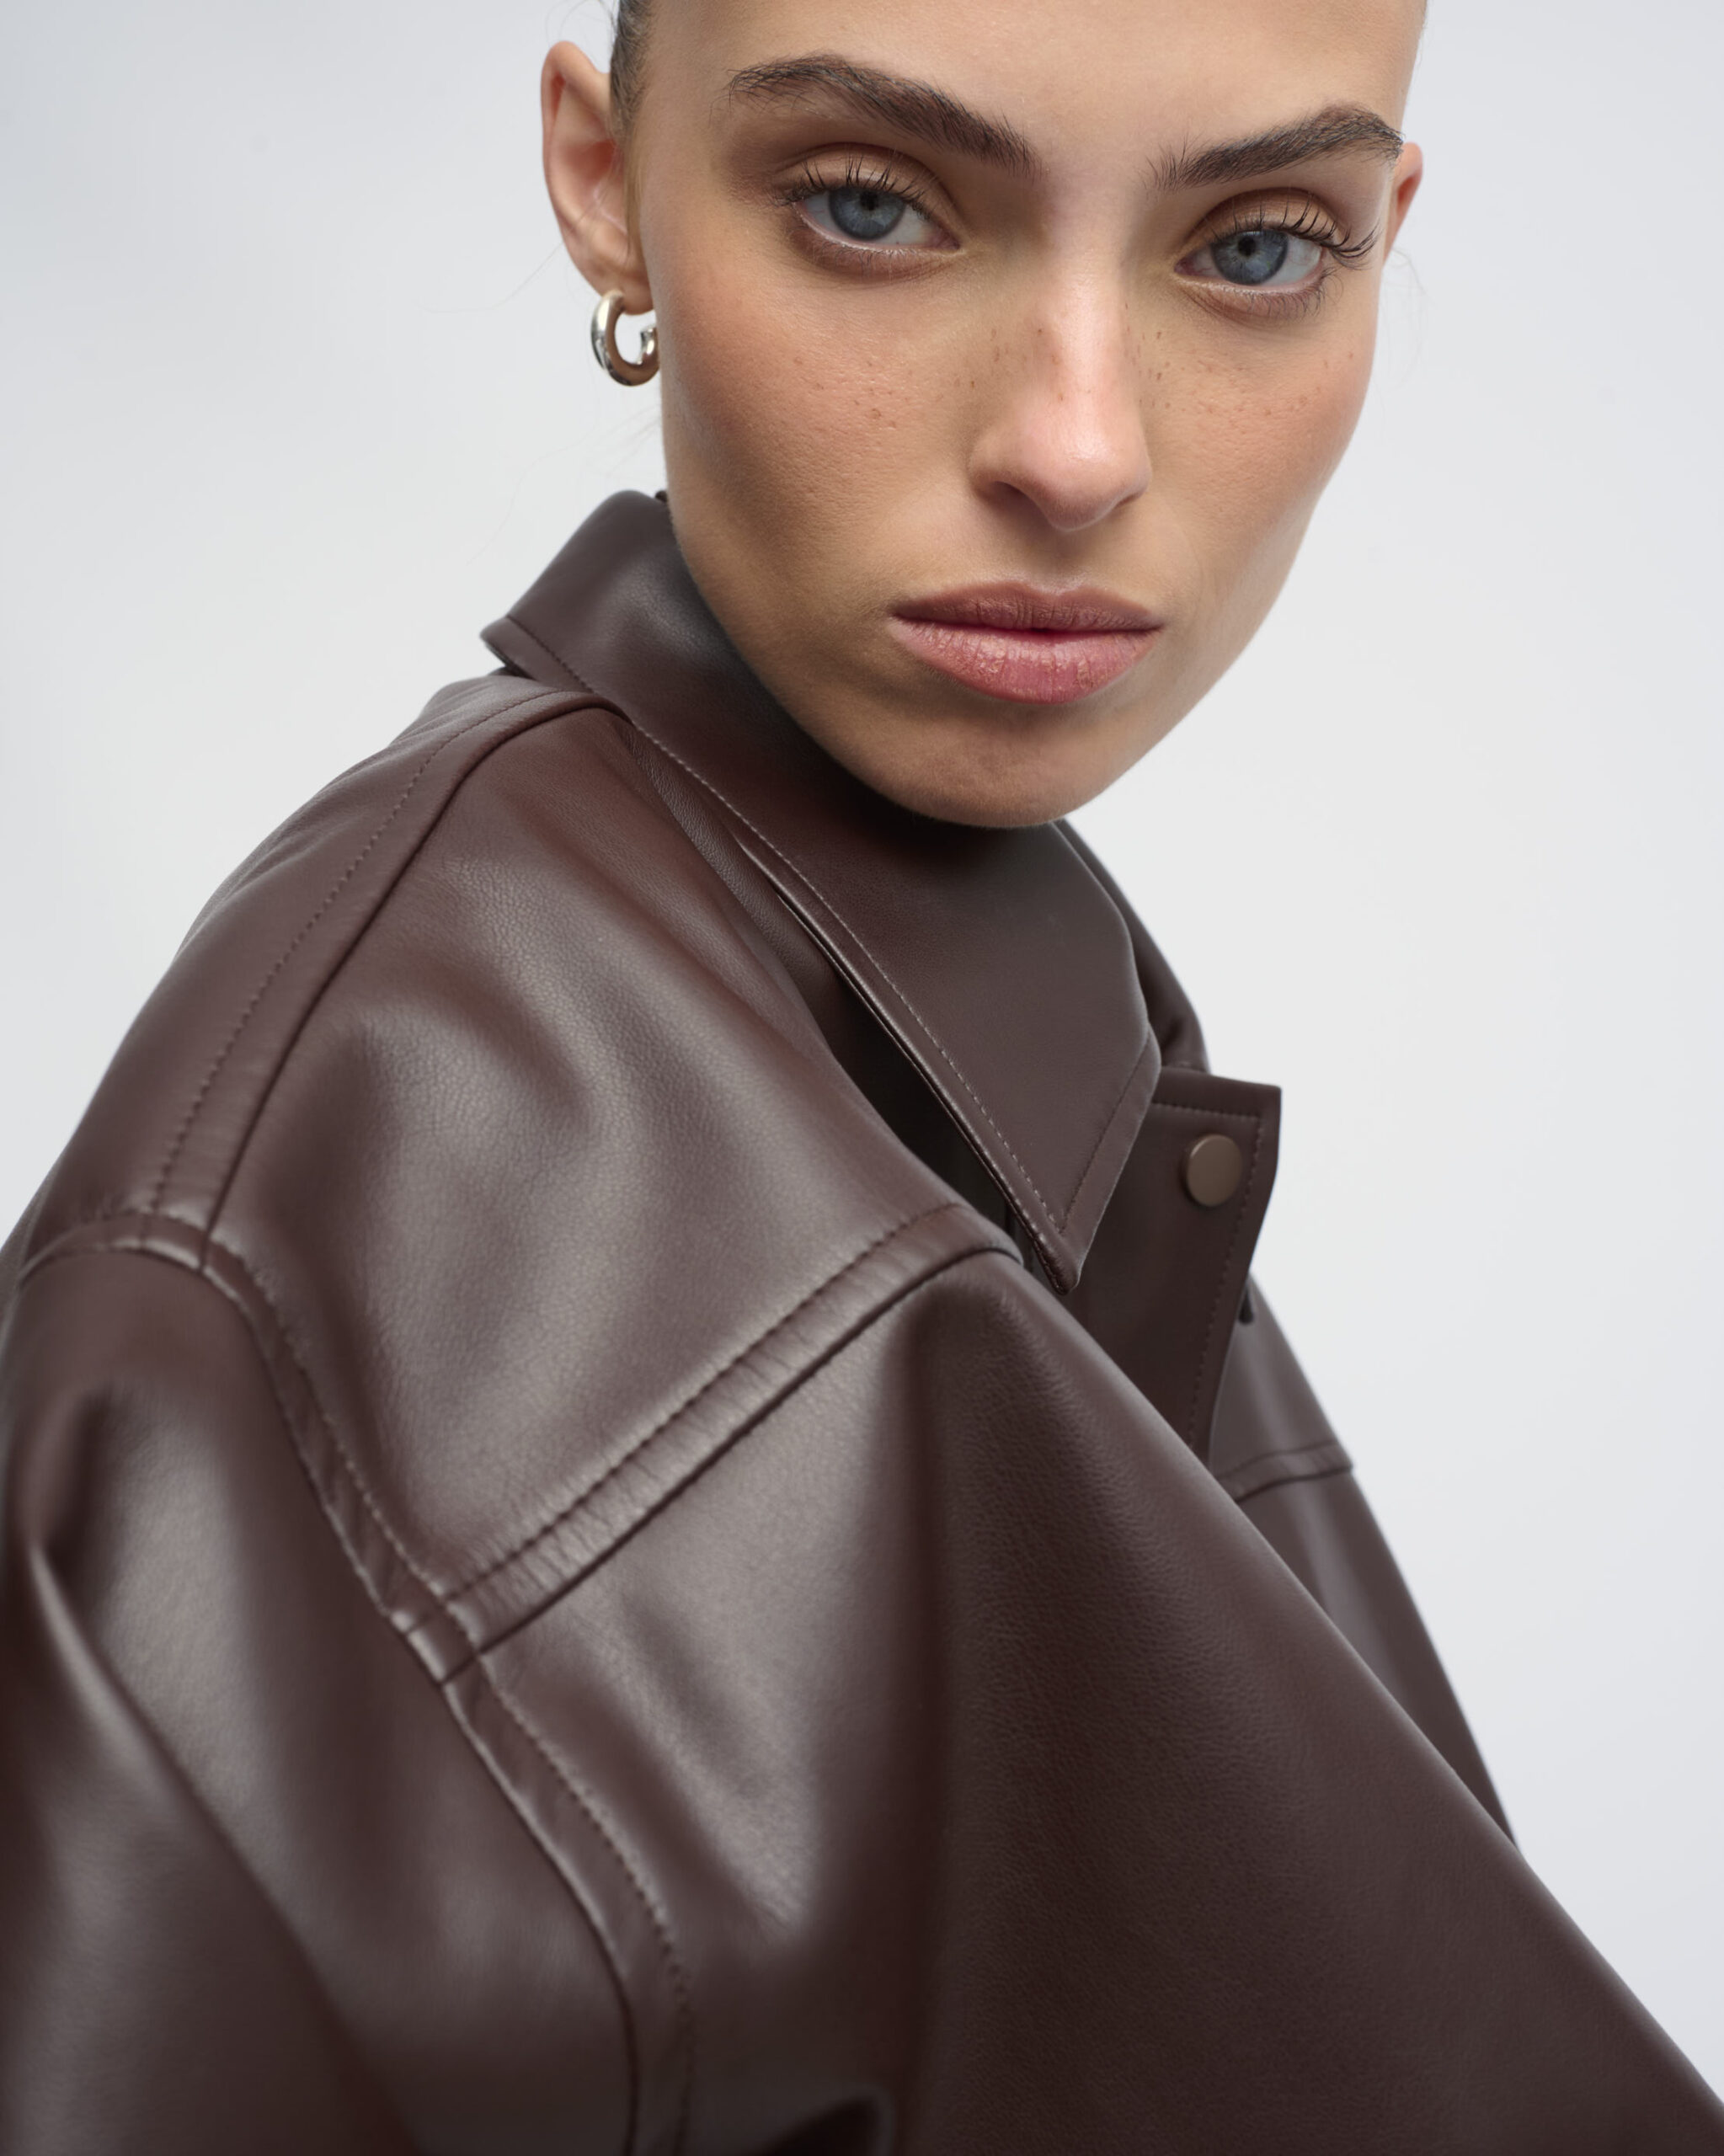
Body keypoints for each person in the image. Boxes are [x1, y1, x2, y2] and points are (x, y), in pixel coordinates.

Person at [1, 0, 1719, 2146]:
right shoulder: (355, 1201)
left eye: (1259, 245)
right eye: (874, 207)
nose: (1076, 447)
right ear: (605, 182)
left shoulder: (924, 978)